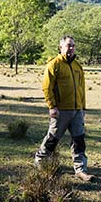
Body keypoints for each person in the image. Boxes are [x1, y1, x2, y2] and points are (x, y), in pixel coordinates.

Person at [34, 35, 94, 182]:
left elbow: (82, 88)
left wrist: (83, 108)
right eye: (68, 45)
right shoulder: (53, 65)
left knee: (79, 140)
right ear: (61, 48)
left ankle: (81, 170)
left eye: (73, 45)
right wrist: (52, 106)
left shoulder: (77, 66)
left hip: (77, 111)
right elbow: (47, 88)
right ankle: (40, 161)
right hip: (61, 110)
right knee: (53, 138)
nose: (71, 48)